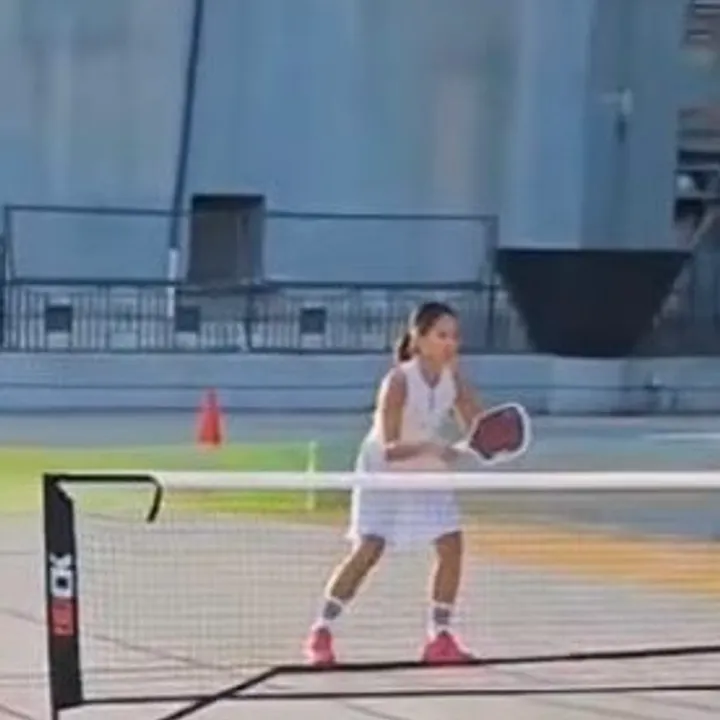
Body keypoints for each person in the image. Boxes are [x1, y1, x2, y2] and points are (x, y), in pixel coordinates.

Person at [304, 301, 484, 666]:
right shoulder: (398, 381)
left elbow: (479, 428)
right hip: (384, 468)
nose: (450, 343)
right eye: (442, 335)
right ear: (419, 338)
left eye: (454, 337)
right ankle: (321, 631)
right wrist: (435, 448)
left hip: (427, 467)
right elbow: (390, 449)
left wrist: (480, 433)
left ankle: (440, 637)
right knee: (370, 548)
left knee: (452, 544)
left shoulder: (453, 380)